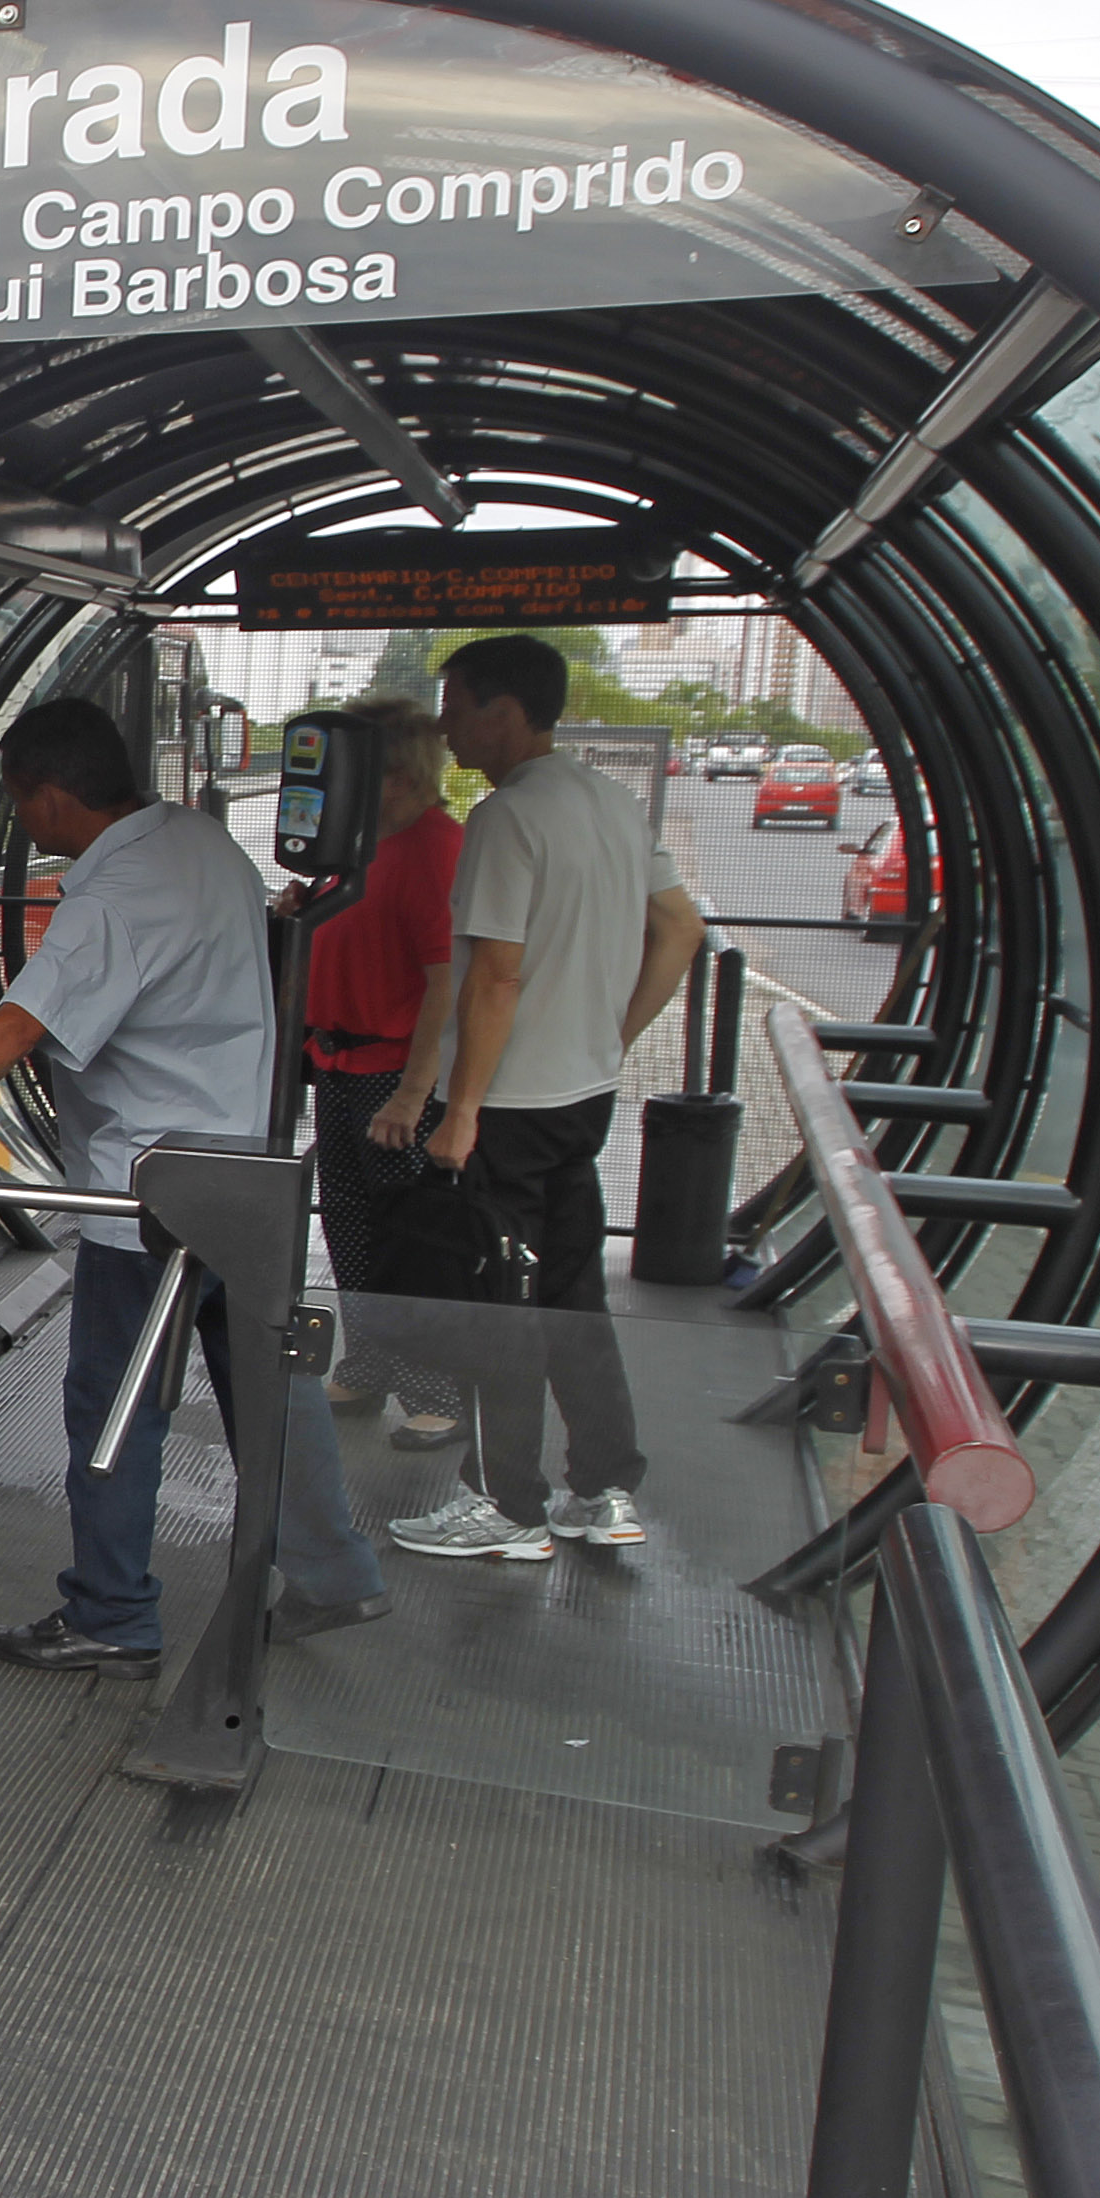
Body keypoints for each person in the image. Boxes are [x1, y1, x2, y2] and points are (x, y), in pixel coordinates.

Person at [0, 696, 386, 1676]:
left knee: (111, 1406)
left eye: (26, 803)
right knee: (272, 1385)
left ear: (54, 797)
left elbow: (20, 1023)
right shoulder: (201, 842)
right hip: (245, 1174)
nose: (26, 824)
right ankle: (334, 1568)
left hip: (150, 1203)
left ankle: (111, 1613)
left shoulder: (117, 895)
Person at [384, 636, 704, 1561]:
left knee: (498, 1304)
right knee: (569, 1294)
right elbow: (680, 929)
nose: (443, 723)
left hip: (510, 1109)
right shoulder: (610, 800)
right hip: (582, 1096)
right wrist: (612, 1034)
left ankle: (506, 1505)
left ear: (505, 712)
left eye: (456, 703)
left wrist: (462, 1110)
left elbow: (494, 979)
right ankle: (601, 1488)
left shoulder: (507, 819)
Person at [292, 702, 467, 1452]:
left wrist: (412, 1093)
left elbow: (447, 979)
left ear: (390, 777)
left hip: (391, 1069)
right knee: (352, 1226)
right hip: (338, 1060)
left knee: (412, 1240)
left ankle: (438, 1389)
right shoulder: (359, 845)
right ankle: (369, 1363)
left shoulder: (433, 850)